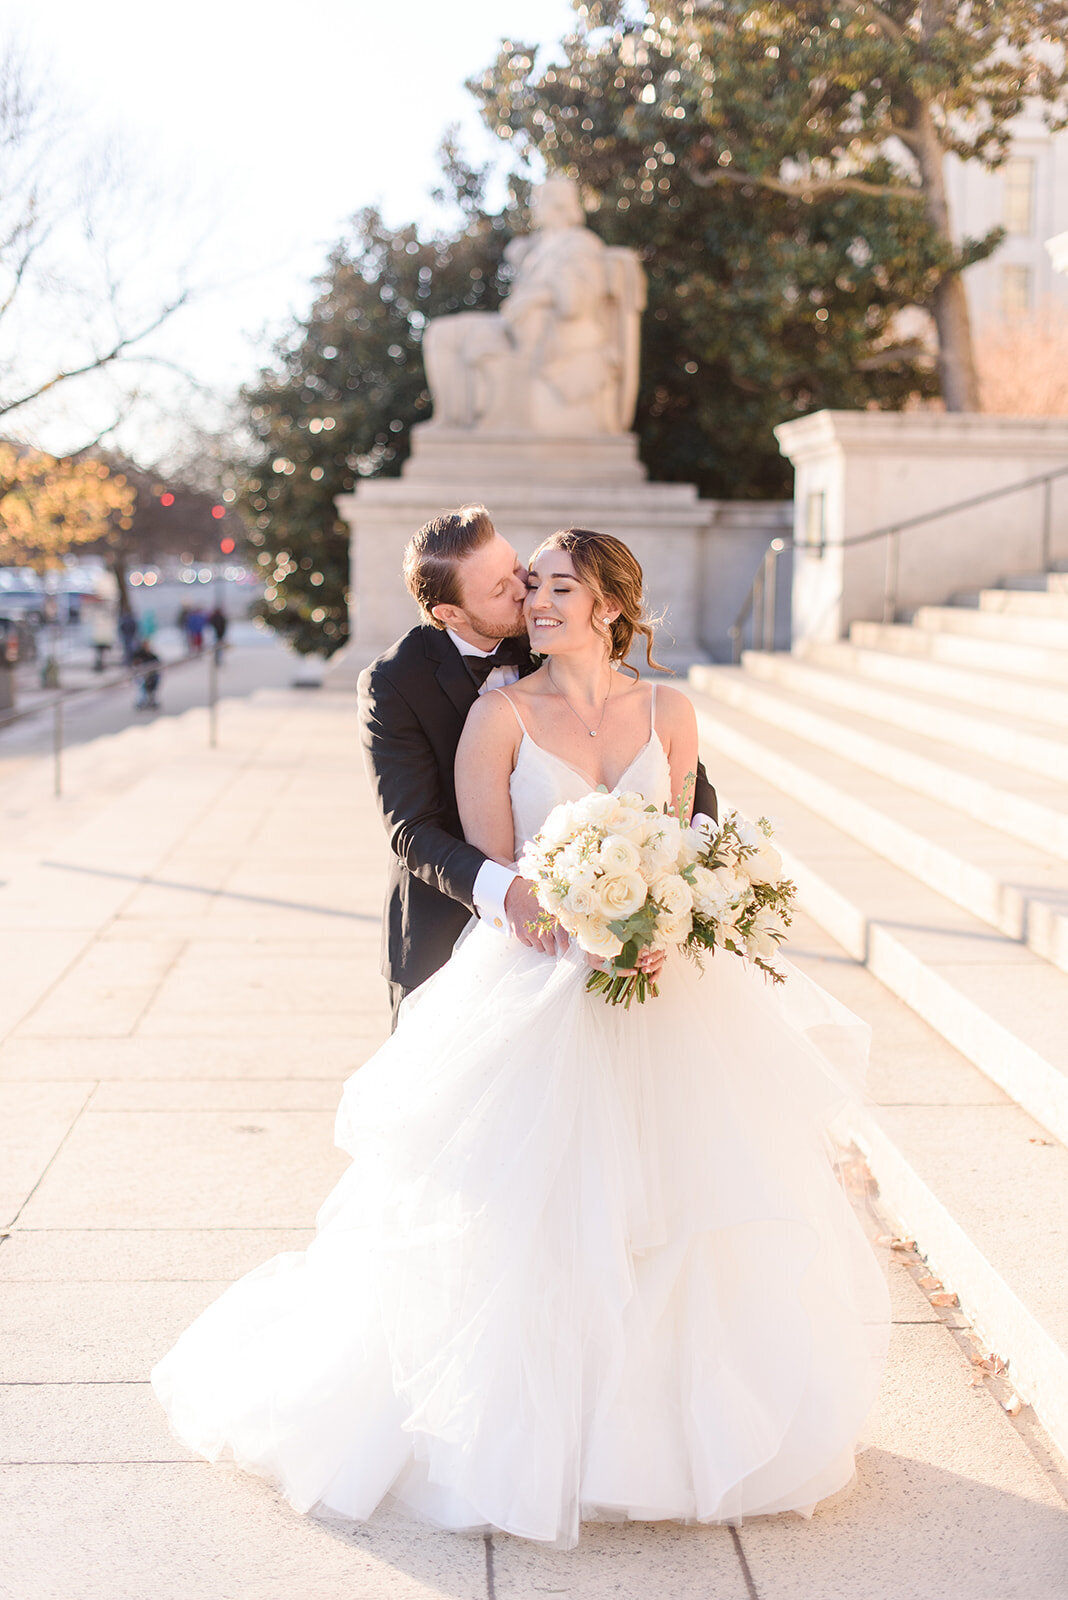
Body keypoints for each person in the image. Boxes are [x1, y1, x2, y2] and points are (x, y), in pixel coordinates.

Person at [152, 525, 890, 1548]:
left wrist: (670, 919)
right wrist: (577, 921)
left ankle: (679, 1423)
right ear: (460, 608)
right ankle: (532, 1427)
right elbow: (483, 863)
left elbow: (682, 831)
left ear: (609, 604)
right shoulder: (490, 711)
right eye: (519, 584)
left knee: (687, 1203)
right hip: (536, 976)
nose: (531, 597)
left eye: (549, 583)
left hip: (664, 989)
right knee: (532, 1212)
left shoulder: (670, 708)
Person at [354, 505, 717, 1026]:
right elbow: (412, 830)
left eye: (518, 569)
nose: (527, 594)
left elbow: (687, 786)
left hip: (640, 947)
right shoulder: (394, 683)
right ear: (451, 614)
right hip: (456, 928)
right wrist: (534, 906)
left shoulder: (553, 630)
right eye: (502, 589)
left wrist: (672, 903)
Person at [130, 638, 162, 711]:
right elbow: (134, 664)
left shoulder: (151, 655)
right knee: (142, 684)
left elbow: (157, 662)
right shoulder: (139, 654)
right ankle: (142, 700)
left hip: (151, 675)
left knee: (154, 681)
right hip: (142, 675)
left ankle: (151, 698)